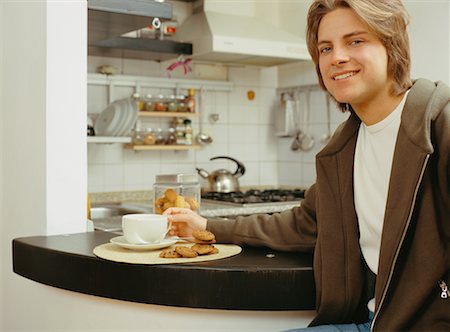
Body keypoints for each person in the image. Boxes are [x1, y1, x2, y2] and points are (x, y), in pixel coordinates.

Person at [164, 0, 450, 330]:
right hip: (373, 321)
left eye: (355, 40)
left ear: (392, 45)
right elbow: (303, 224)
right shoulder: (344, 147)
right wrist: (206, 227)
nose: (337, 57)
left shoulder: (439, 124)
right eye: (325, 48)